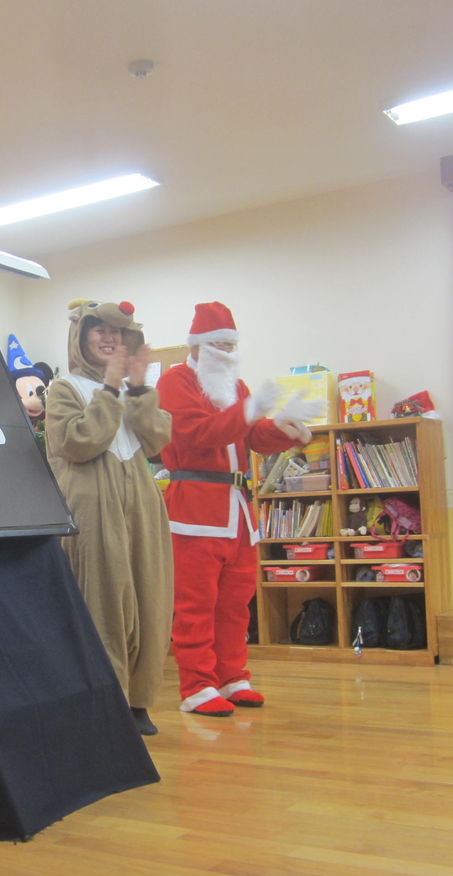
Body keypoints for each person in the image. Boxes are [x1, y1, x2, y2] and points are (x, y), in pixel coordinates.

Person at [157, 302, 316, 716]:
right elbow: (199, 433)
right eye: (219, 345)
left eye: (231, 345)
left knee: (234, 603)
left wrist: (285, 426)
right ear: (196, 345)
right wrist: (249, 411)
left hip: (238, 513)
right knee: (195, 605)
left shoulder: (238, 387)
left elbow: (253, 438)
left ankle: (232, 677)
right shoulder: (174, 383)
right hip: (195, 512)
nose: (226, 352)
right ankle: (197, 686)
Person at [44, 299, 173, 736]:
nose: (109, 338)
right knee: (103, 600)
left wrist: (135, 388)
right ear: (80, 338)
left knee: (149, 596)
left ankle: (138, 700)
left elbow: (157, 439)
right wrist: (111, 389)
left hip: (142, 503)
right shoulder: (64, 388)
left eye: (116, 332)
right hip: (94, 505)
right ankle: (106, 702)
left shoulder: (130, 387)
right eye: (99, 330)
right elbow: (79, 442)